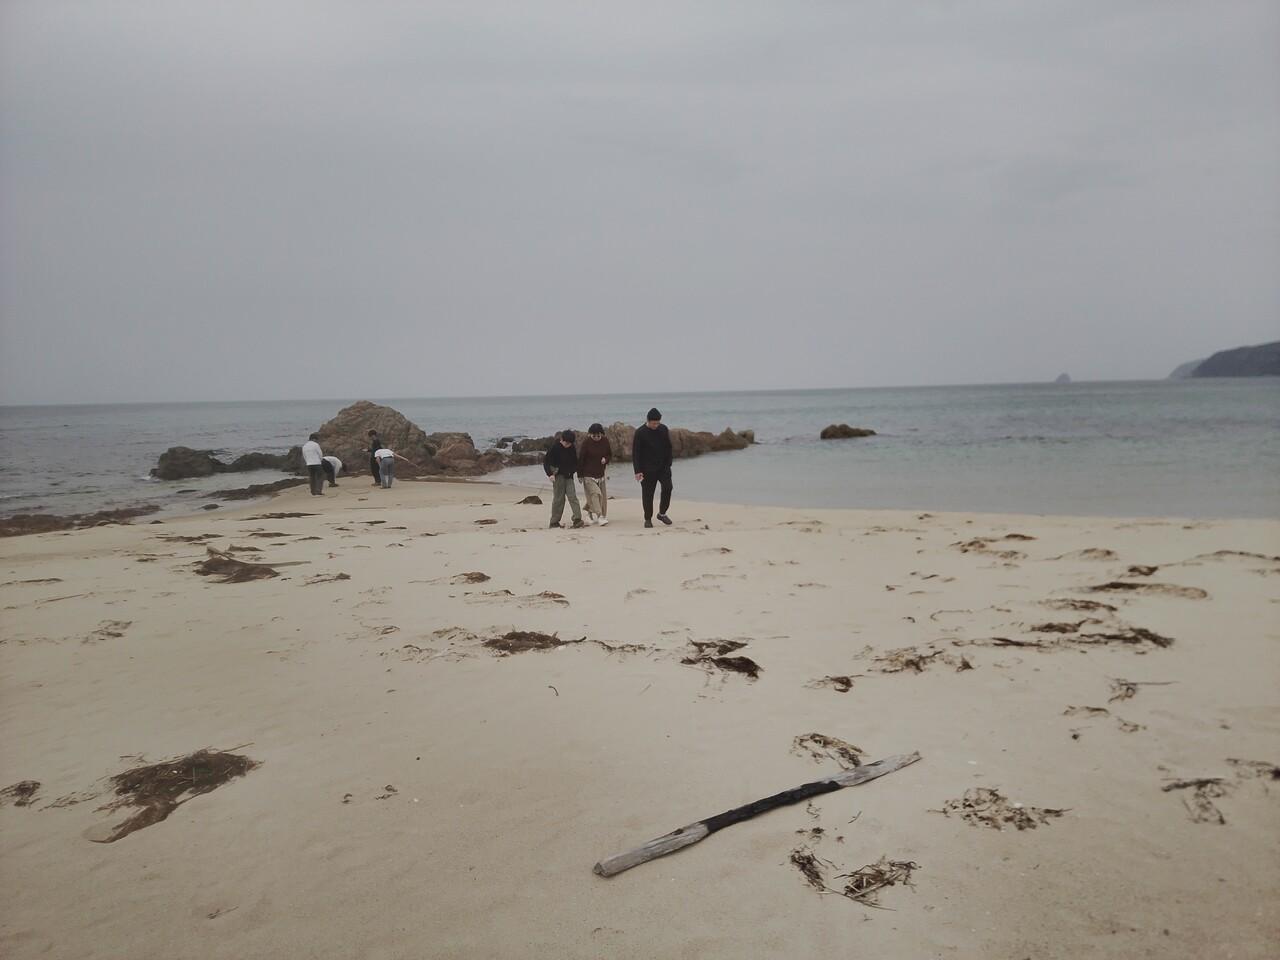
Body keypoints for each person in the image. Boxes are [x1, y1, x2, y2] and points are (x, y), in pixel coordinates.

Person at [633, 408, 673, 528]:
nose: (656, 425)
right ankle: (648, 519)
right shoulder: (640, 432)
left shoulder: (663, 429)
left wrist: (669, 463)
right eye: (654, 423)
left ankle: (662, 514)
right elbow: (636, 453)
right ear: (648, 420)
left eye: (658, 423)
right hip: (647, 469)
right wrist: (637, 471)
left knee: (668, 488)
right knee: (648, 495)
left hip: (663, 467)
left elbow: (668, 447)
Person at [543, 430, 585, 529]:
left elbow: (575, 462)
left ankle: (577, 519)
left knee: (572, 497)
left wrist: (579, 474)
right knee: (559, 499)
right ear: (562, 440)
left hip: (569, 476)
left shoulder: (572, 448)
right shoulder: (555, 448)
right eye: (566, 443)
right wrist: (550, 474)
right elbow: (546, 462)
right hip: (558, 476)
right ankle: (554, 522)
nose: (567, 445)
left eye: (570, 443)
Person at [578, 423, 612, 526]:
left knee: (601, 497)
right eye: (594, 435)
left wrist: (605, 459)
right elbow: (581, 459)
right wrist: (579, 475)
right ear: (590, 434)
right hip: (588, 474)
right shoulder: (586, 443)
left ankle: (589, 515)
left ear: (601, 434)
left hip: (600, 473)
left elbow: (609, 454)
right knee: (596, 494)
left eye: (598, 435)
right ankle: (599, 516)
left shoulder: (605, 441)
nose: (596, 437)